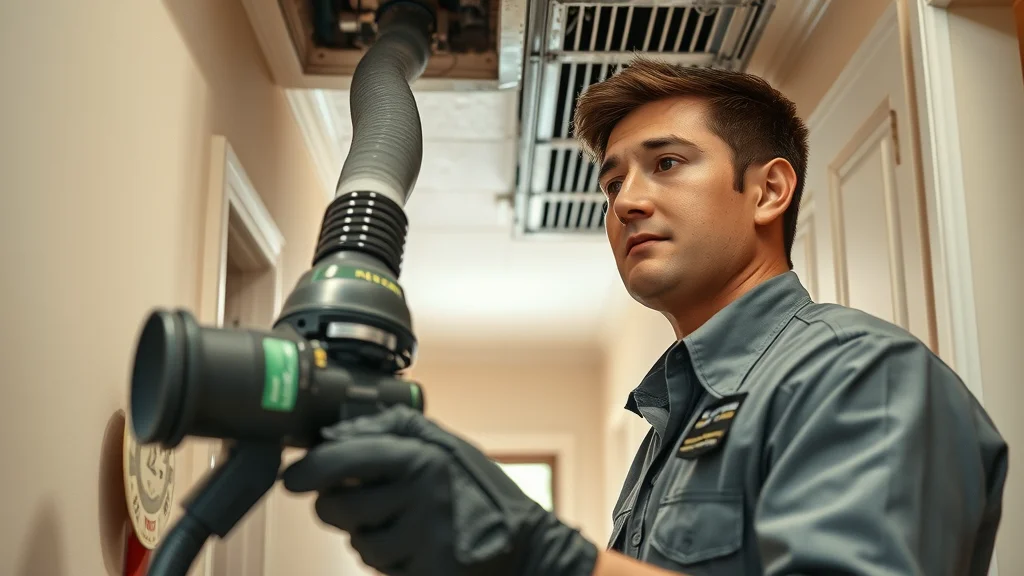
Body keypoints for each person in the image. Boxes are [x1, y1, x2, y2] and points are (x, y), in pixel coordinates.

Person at [281, 57, 1009, 576]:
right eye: (613, 179)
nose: (625, 201)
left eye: (665, 164)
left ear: (768, 191)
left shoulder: (861, 375)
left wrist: (541, 556)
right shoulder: (677, 416)